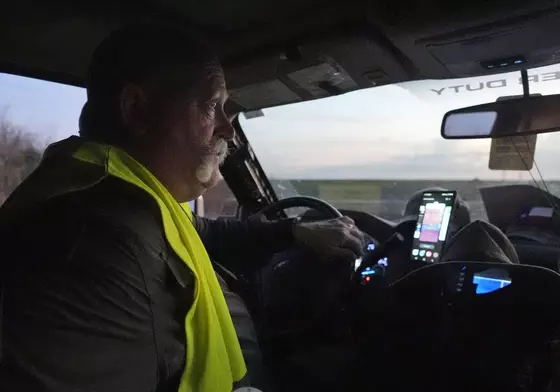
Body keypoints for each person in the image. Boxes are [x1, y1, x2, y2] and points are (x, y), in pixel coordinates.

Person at [0, 25, 363, 392]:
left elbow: (201, 231)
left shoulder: (125, 197)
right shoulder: (92, 245)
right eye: (213, 106)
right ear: (138, 110)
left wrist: (294, 230)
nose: (229, 131)